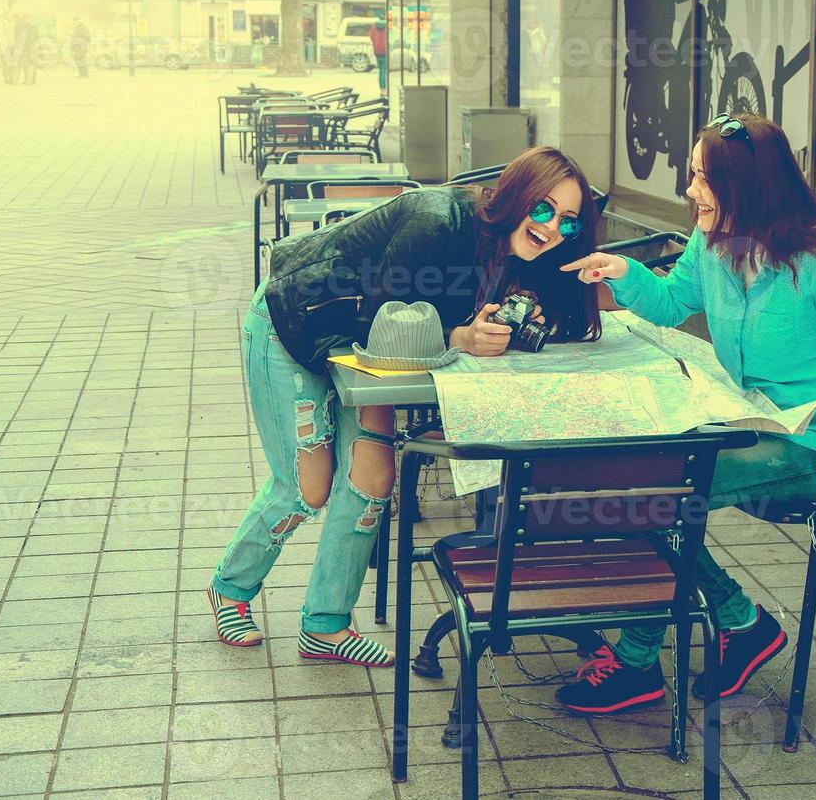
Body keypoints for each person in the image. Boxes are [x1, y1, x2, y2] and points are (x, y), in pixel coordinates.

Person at [555, 113, 816, 713]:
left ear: (744, 183)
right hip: (747, 423)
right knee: (640, 478)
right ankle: (739, 624)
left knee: (660, 495)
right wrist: (624, 272)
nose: (689, 190)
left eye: (700, 177)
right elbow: (669, 303)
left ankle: (644, 660)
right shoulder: (711, 241)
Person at [208, 147, 603, 664]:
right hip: (294, 327)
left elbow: (571, 326)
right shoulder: (435, 220)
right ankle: (231, 587)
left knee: (373, 482)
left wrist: (591, 277)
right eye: (544, 208)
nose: (551, 229)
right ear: (516, 195)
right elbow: (385, 321)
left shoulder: (528, 250)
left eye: (568, 222)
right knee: (307, 485)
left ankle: (324, 625)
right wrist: (460, 335)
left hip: (364, 354)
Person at [370, 18, 389, 96]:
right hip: (385, 52)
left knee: (381, 72)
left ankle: (382, 89)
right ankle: (385, 90)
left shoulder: (374, 28)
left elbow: (371, 37)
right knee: (384, 72)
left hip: (377, 52)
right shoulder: (386, 28)